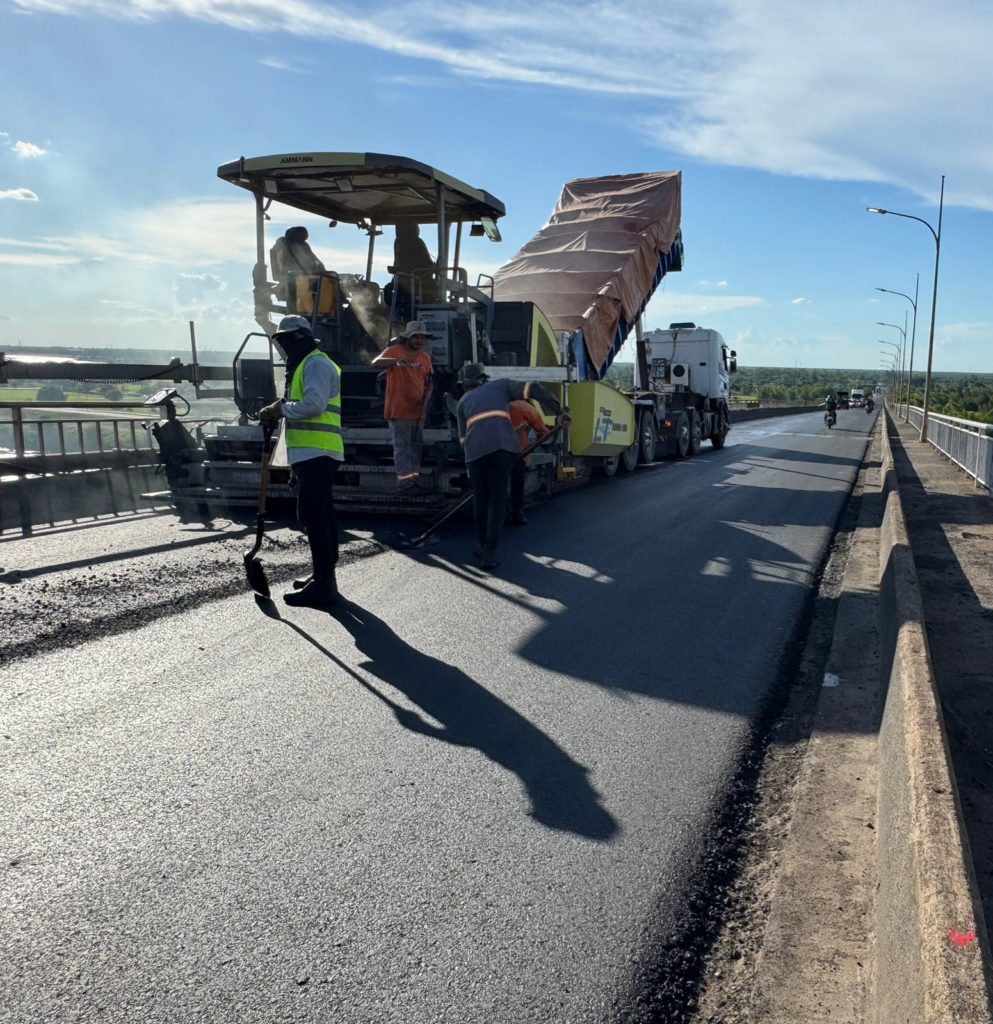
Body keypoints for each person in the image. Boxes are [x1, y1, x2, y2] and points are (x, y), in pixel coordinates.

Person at [259, 315, 343, 608]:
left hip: (317, 453)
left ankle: (324, 587)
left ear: (299, 338)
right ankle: (324, 578)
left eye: (284, 341)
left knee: (316, 519)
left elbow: (314, 404)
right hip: (312, 454)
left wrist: (280, 409)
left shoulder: (316, 364)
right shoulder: (307, 364)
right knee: (319, 517)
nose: (283, 347)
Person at [456, 363, 569, 570]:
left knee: (481, 500)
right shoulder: (501, 386)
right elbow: (534, 389)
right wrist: (558, 410)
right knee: (498, 499)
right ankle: (489, 553)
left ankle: (481, 545)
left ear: (465, 384)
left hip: (474, 455)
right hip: (503, 449)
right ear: (483, 378)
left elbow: (463, 439)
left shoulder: (462, 402)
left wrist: (471, 464)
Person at [372, 320, 434, 493]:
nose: (419, 341)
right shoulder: (395, 351)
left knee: (416, 449)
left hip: (418, 412)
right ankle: (404, 484)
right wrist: (396, 359)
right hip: (398, 410)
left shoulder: (425, 357)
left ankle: (413, 481)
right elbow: (375, 364)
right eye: (416, 337)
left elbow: (429, 382)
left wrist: (426, 401)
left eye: (422, 338)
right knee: (402, 449)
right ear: (408, 338)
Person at [508, 399, 550, 526]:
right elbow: (543, 432)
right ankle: (517, 513)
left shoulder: (487, 405)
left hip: (492, 452)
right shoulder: (523, 407)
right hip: (516, 453)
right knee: (517, 484)